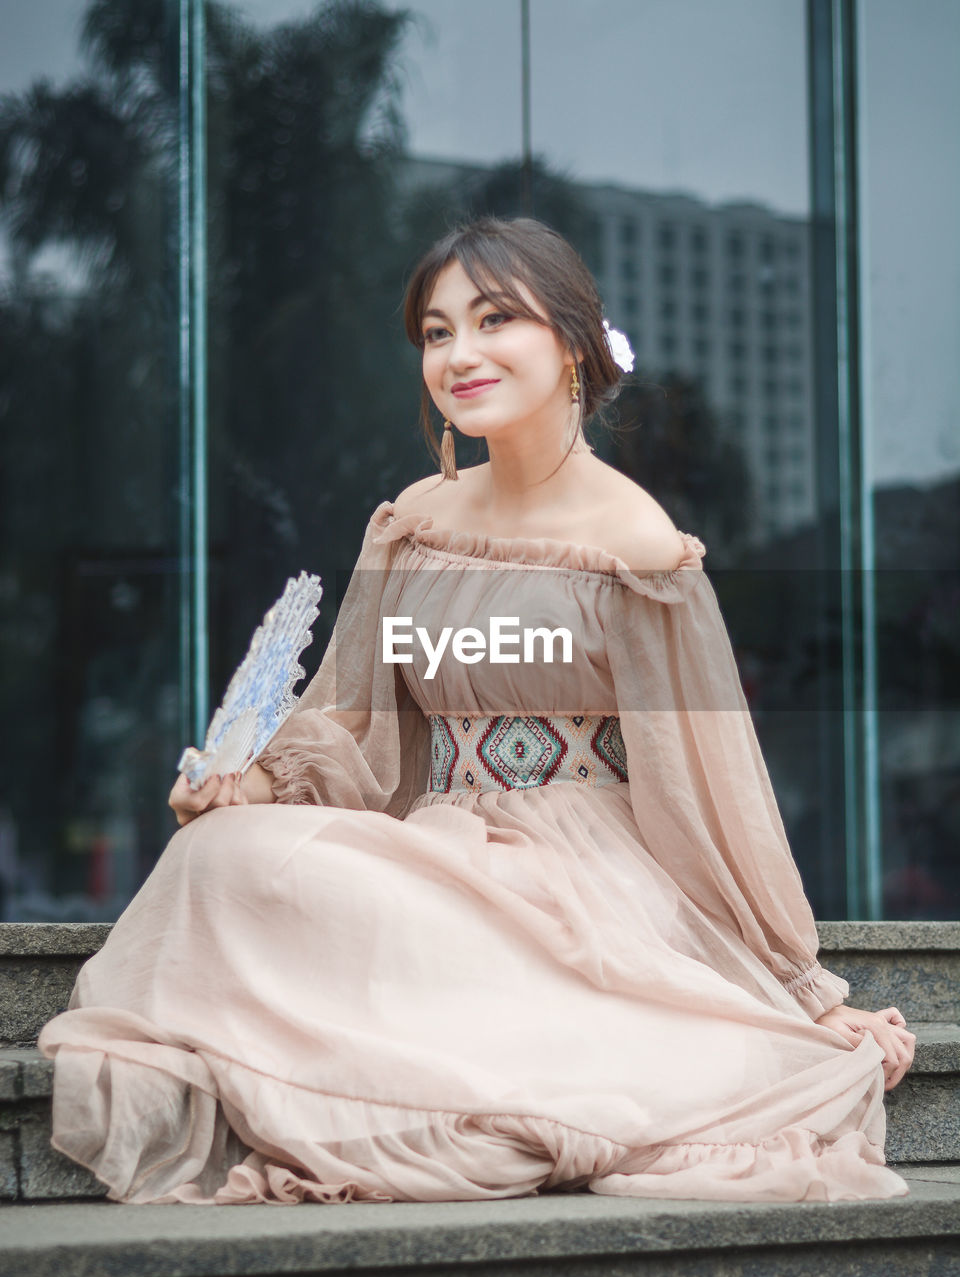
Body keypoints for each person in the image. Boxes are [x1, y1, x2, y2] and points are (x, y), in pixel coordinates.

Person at [38, 216, 915, 1206]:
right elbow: (351, 718)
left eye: (494, 319)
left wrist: (799, 985)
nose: (460, 353)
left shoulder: (637, 542)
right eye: (438, 330)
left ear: (575, 344)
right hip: (442, 853)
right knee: (218, 855)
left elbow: (710, 786)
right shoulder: (414, 521)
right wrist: (254, 779)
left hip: (584, 885)